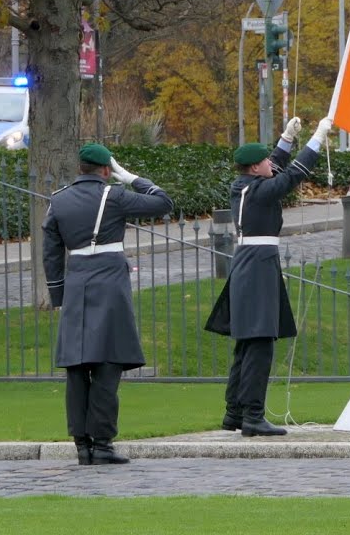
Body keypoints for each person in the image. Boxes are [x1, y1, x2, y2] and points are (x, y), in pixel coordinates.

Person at [42, 143, 175, 465]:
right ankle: (101, 444)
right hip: (110, 284)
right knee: (107, 365)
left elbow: (51, 254)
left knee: (77, 368)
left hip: (76, 285)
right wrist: (130, 177)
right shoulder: (113, 195)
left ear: (80, 168)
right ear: (105, 169)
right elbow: (163, 203)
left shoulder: (57, 200)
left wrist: (59, 297)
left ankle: (82, 446)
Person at [205, 116, 334, 436]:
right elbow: (290, 176)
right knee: (260, 341)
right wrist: (317, 140)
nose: (269, 162)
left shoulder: (249, 184)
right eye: (263, 160)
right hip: (257, 265)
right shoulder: (258, 190)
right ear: (253, 168)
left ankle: (235, 412)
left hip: (254, 262)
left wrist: (286, 139)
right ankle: (252, 415)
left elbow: (276, 164)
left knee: (248, 343)